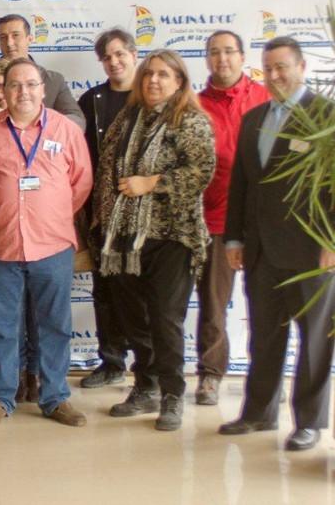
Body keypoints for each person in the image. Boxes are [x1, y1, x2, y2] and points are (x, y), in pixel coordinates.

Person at [219, 36, 335, 452]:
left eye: (282, 67)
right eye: (267, 69)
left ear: (301, 67)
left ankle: (309, 422)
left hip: (311, 253)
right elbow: (241, 184)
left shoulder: (326, 116)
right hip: (260, 251)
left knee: (315, 341)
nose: (274, 75)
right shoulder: (254, 118)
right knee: (265, 336)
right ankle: (259, 412)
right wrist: (234, 237)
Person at [96, 49, 215, 432]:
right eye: (148, 74)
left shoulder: (190, 120)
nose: (153, 80)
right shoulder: (127, 117)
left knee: (165, 319)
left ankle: (172, 394)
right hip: (126, 237)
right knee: (135, 319)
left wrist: (152, 183)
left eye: (163, 74)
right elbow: (107, 166)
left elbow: (201, 171)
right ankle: (145, 387)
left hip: (173, 236)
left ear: (179, 81)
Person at [0, 57, 92, 429]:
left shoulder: (65, 130)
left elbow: (82, 182)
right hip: (1, 246)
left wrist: (50, 214)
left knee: (54, 326)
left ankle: (55, 398)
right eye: (14, 85)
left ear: (43, 90)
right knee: (1, 326)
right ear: (3, 92)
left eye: (30, 84)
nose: (23, 92)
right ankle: (1, 397)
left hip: (53, 246)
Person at [194, 30, 270, 405]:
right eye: (214, 52)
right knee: (212, 304)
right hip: (216, 221)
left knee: (266, 305)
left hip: (265, 223)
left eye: (228, 51)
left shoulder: (265, 98)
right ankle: (210, 375)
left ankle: (265, 375)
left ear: (242, 56)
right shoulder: (194, 106)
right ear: (207, 59)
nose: (221, 59)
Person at [76, 28, 138, 389]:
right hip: (103, 212)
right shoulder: (92, 101)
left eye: (120, 54)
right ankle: (112, 362)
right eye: (107, 57)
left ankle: (149, 369)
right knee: (105, 291)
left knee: (142, 292)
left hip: (145, 215)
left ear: (133, 54)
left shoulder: (153, 95)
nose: (114, 62)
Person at [0, 14, 85, 129]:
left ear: (29, 39)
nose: (9, 43)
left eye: (15, 35)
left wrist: (40, 128)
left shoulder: (54, 80)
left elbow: (77, 120)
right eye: (3, 37)